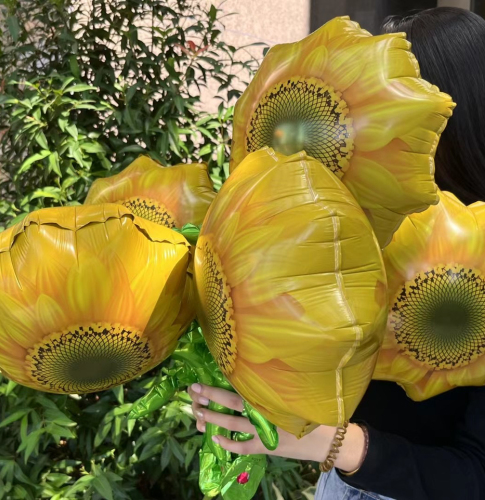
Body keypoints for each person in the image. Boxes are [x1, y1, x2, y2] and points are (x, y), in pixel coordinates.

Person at [188, 7, 485, 500]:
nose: (364, 128)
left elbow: (474, 474)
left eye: (383, 104)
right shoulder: (357, 225)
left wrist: (328, 443)